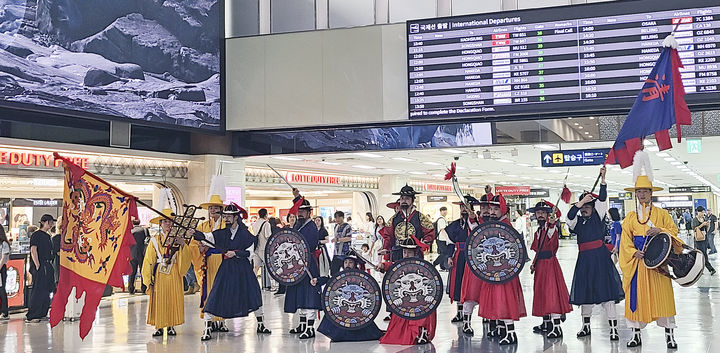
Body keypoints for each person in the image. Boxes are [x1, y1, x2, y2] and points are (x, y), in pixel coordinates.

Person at [618, 154, 684, 349]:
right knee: (635, 301)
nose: (642, 195)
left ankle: (669, 336)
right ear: (635, 194)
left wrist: (661, 230)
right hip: (638, 265)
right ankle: (635, 335)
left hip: (658, 264)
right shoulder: (630, 217)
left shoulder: (662, 214)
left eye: (645, 191)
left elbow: (675, 234)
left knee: (663, 299)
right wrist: (632, 252)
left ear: (651, 192)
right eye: (639, 191)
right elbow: (624, 241)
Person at [194, 204, 271, 340]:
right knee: (215, 295)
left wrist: (235, 253)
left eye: (229, 216)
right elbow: (207, 237)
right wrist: (194, 233)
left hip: (243, 269)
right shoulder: (222, 233)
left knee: (253, 294)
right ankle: (207, 328)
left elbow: (250, 253)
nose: (226, 219)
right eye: (225, 216)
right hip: (227, 268)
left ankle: (261, 324)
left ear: (236, 217)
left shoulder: (245, 233)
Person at [566, 166, 624, 341]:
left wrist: (603, 180)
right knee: (585, 295)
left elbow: (603, 199)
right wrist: (580, 203)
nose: (584, 210)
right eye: (583, 208)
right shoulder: (577, 223)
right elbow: (569, 217)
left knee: (607, 294)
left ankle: (613, 329)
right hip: (584, 261)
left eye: (587, 207)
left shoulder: (598, 217)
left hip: (600, 259)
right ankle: (585, 327)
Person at [472, 194, 526, 345]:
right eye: (491, 208)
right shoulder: (492, 225)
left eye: (496, 209)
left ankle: (510, 333)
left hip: (505, 272)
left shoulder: (506, 226)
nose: (492, 212)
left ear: (503, 210)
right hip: (494, 271)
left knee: (505, 301)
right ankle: (503, 330)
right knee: (498, 301)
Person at [142, 206, 191, 337]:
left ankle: (171, 325)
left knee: (172, 298)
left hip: (174, 271)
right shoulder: (154, 240)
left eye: (170, 221)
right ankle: (158, 326)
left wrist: (182, 245)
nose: (168, 224)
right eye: (165, 221)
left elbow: (186, 257)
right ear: (160, 224)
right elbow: (148, 260)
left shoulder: (179, 239)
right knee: (159, 299)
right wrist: (148, 277)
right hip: (159, 273)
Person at [380, 239, 437, 345]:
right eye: (404, 252)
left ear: (415, 253)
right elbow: (391, 265)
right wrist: (383, 266)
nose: (406, 255)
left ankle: (423, 331)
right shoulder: (400, 265)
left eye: (409, 252)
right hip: (405, 298)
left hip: (421, 298)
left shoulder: (423, 266)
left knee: (426, 305)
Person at [528, 200, 572, 338]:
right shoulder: (538, 231)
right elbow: (537, 250)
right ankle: (546, 323)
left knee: (551, 294)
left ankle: (557, 327)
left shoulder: (550, 228)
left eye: (543, 213)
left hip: (549, 265)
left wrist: (552, 224)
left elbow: (551, 235)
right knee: (541, 293)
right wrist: (534, 263)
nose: (540, 215)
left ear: (548, 215)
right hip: (541, 264)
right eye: (538, 212)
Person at [317, 254, 384, 342]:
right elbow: (328, 279)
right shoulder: (338, 276)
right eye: (346, 262)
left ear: (355, 264)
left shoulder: (362, 279)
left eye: (350, 262)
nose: (347, 264)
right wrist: (318, 280)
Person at [285, 190, 322, 339]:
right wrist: (296, 198)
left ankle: (310, 327)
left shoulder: (311, 227)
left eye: (303, 211)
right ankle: (301, 324)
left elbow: (309, 245)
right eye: (299, 211)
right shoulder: (298, 225)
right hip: (297, 265)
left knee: (309, 295)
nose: (300, 213)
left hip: (308, 264)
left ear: (309, 212)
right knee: (300, 295)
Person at [444, 196, 480, 330]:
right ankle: (459, 313)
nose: (463, 209)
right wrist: (449, 256)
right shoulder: (454, 225)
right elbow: (450, 243)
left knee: (472, 286)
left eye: (466, 207)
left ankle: (485, 316)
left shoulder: (476, 223)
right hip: (458, 256)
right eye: (462, 207)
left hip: (472, 258)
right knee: (458, 283)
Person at [25, 214, 56, 323]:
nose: (51, 224)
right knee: (38, 289)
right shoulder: (36, 235)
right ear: (44, 222)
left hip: (47, 264)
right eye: (50, 222)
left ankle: (43, 311)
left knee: (46, 289)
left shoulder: (47, 236)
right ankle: (33, 314)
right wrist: (37, 265)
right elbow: (34, 250)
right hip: (41, 264)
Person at [252, 209, 273, 291]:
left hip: (256, 248)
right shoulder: (266, 224)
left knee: (256, 267)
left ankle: (252, 284)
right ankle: (272, 285)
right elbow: (268, 236)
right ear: (266, 215)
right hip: (264, 248)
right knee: (269, 267)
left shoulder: (255, 223)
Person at [692, 206, 715, 275]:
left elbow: (706, 229)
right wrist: (702, 225)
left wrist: (707, 225)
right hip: (698, 239)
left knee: (700, 255)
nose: (703, 213)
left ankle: (699, 270)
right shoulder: (695, 220)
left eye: (703, 212)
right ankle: (711, 269)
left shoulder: (704, 218)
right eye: (701, 212)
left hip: (704, 238)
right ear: (698, 212)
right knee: (703, 254)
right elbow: (694, 229)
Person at [128, 218, 149, 294]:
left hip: (132, 253)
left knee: (132, 271)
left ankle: (131, 288)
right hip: (141, 252)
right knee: (143, 270)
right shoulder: (144, 230)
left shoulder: (130, 231)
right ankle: (144, 288)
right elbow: (147, 239)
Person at [330, 211, 352, 276]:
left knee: (347, 272)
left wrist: (338, 239)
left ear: (343, 217)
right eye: (336, 218)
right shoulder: (336, 226)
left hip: (345, 253)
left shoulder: (347, 226)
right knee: (334, 272)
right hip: (336, 253)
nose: (337, 219)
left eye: (339, 217)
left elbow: (349, 238)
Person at [0, 226, 10, 320]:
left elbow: (3, 258)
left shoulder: (4, 244)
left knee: (1, 289)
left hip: (1, 268)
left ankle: (4, 311)